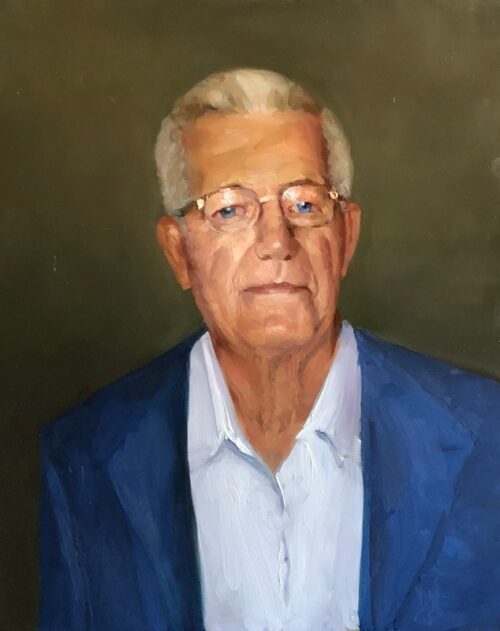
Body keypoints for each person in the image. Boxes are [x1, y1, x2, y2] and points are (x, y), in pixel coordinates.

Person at [39, 68, 500, 631]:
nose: (277, 242)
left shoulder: (486, 436)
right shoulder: (87, 455)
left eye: (305, 204)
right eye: (229, 209)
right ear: (179, 252)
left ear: (347, 236)